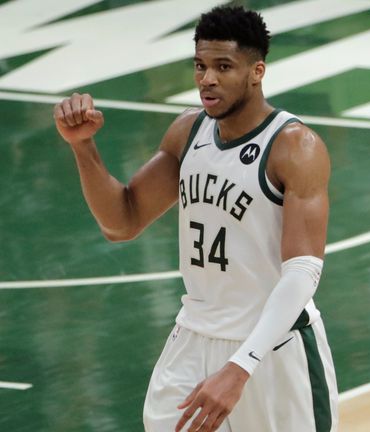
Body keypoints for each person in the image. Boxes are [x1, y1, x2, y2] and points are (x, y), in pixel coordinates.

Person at [53, 6, 337, 432]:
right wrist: (83, 147)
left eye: (224, 67)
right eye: (200, 66)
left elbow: (302, 273)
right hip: (194, 337)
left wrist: (239, 367)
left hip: (273, 348)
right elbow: (122, 222)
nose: (207, 79)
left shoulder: (295, 146)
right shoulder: (189, 132)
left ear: (257, 71)